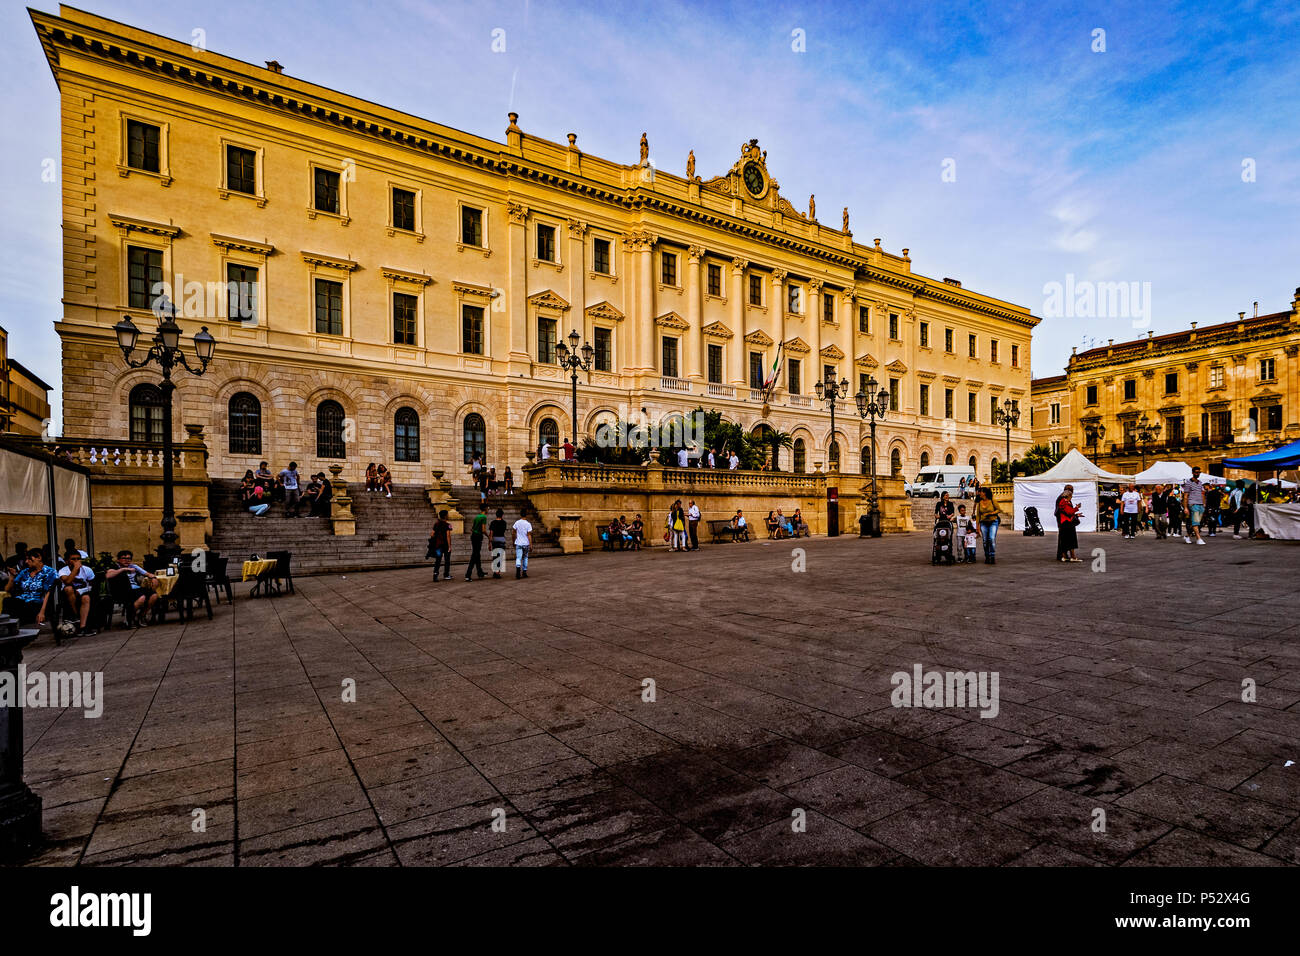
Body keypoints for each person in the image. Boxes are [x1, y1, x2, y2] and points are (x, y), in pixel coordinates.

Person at [3, 548, 58, 627]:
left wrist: (42, 612)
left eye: (29, 559)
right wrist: (12, 577)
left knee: (20, 607)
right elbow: (7, 589)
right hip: (22, 601)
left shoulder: (50, 572)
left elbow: (48, 593)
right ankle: (7, 627)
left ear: (39, 558)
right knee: (7, 601)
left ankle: (12, 627)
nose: (26, 561)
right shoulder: (25, 572)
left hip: (36, 603)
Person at [105, 550, 158, 625]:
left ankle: (141, 615)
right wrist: (124, 569)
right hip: (122, 591)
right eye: (124, 558)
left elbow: (147, 574)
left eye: (129, 559)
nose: (127, 560)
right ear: (118, 559)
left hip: (135, 589)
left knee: (154, 595)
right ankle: (129, 617)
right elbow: (108, 575)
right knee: (142, 597)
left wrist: (153, 578)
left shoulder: (133, 566)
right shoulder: (115, 567)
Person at [59, 550, 96, 636]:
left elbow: (93, 585)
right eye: (73, 559)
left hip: (85, 592)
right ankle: (76, 616)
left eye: (78, 559)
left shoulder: (87, 570)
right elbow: (67, 581)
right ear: (67, 561)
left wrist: (82, 591)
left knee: (86, 598)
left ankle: (83, 627)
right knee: (69, 588)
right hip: (69, 595)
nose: (76, 561)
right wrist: (75, 569)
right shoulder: (63, 571)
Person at [1055, 485, 1082, 562]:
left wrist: (1076, 515)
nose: (1072, 496)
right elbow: (1068, 512)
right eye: (1071, 493)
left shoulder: (1063, 500)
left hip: (1063, 522)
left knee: (1064, 539)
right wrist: (1076, 508)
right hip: (1067, 522)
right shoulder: (1063, 501)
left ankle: (1064, 556)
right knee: (1071, 539)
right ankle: (1072, 556)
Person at [975, 487, 1002, 564]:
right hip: (983, 523)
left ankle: (992, 556)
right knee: (985, 541)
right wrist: (977, 528)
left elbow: (999, 510)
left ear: (985, 493)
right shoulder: (979, 503)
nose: (979, 493)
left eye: (981, 492)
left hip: (993, 522)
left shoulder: (992, 500)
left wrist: (990, 513)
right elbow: (978, 516)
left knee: (991, 539)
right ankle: (987, 556)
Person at [1182, 466, 1207, 545]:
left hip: (1200, 504)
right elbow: (1185, 496)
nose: (1197, 474)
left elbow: (1202, 494)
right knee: (1195, 522)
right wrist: (1185, 507)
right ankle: (1198, 538)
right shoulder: (1188, 483)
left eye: (1199, 472)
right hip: (1193, 504)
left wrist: (1204, 503)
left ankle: (1187, 536)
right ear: (1192, 473)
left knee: (1198, 522)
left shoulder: (1200, 482)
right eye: (1196, 472)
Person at [465, 505, 487, 581]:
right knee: (474, 555)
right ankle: (468, 575)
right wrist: (489, 536)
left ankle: (480, 572)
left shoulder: (477, 517)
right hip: (478, 537)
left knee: (477, 554)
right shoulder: (484, 517)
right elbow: (484, 530)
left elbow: (472, 528)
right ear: (486, 509)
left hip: (473, 536)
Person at [430, 509, 452, 581]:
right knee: (447, 560)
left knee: (438, 560)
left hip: (438, 545)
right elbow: (448, 536)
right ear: (445, 516)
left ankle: (435, 574)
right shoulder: (448, 525)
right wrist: (449, 546)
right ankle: (446, 574)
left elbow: (432, 534)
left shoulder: (436, 524)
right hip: (445, 545)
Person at [513, 508, 533, 578]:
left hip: (518, 543)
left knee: (518, 557)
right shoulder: (528, 524)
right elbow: (529, 535)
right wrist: (531, 545)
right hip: (526, 543)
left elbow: (513, 532)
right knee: (525, 557)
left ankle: (518, 571)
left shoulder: (517, 523)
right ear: (526, 515)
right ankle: (524, 571)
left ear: (520, 514)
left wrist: (514, 541)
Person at [488, 508, 508, 578]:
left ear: (496, 515)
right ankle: (497, 572)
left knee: (495, 556)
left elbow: (491, 533)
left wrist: (489, 543)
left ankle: (495, 571)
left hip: (495, 540)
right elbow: (503, 531)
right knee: (500, 556)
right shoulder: (504, 523)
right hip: (502, 539)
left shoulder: (493, 523)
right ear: (502, 515)